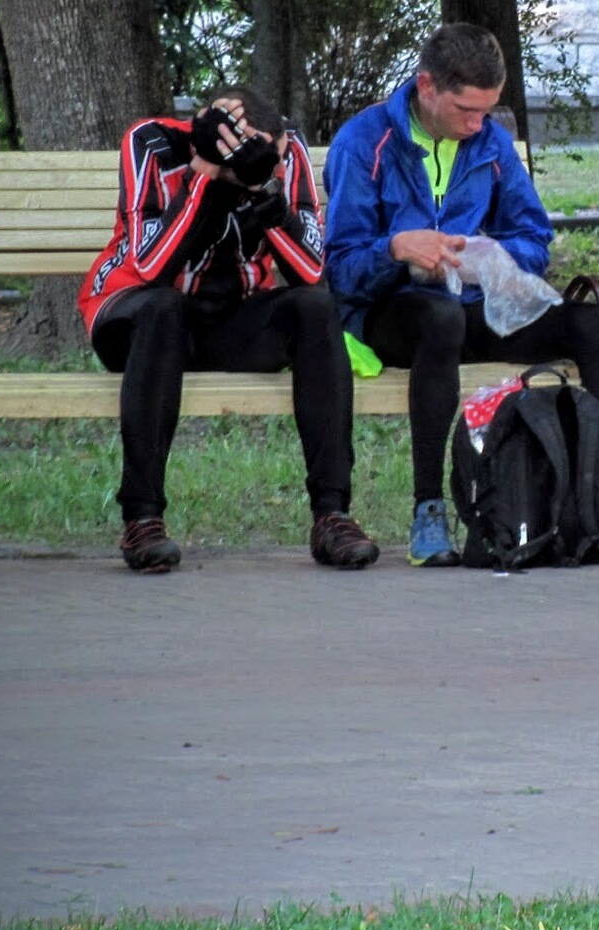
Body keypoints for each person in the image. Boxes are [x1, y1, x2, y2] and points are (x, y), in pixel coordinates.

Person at [322, 23, 599, 567]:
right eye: (466, 109)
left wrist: (490, 256)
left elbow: (533, 238)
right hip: (394, 315)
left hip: (475, 306)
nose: (476, 123)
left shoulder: (491, 144)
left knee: (592, 324)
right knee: (439, 318)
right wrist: (395, 249)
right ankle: (428, 511)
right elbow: (341, 270)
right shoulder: (364, 142)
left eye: (486, 111)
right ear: (427, 86)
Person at [77, 87, 379, 573]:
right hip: (134, 316)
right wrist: (207, 174)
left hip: (228, 317)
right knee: (164, 308)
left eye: (272, 153)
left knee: (315, 308)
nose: (268, 161)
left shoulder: (286, 150)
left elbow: (309, 271)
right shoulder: (151, 142)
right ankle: (142, 519)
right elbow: (151, 266)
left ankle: (332, 515)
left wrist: (265, 193)